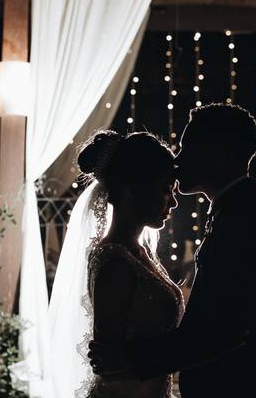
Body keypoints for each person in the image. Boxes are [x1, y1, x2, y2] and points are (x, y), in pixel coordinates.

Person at [90, 103, 256, 397]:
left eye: (187, 148)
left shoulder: (245, 219)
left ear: (218, 155)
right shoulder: (235, 211)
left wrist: (129, 359)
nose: (177, 161)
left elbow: (224, 328)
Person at [77, 130, 183, 398]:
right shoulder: (115, 262)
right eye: (165, 189)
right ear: (132, 191)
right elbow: (110, 365)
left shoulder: (139, 251)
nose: (173, 202)